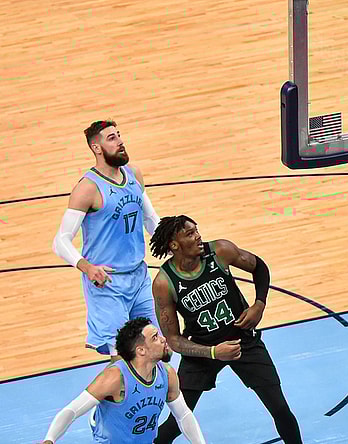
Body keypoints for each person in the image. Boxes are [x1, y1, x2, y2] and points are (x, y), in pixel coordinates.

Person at [149, 215, 302, 444]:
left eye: (196, 230)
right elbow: (173, 339)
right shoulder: (164, 283)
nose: (198, 235)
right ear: (174, 244)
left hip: (243, 342)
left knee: (280, 409)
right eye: (190, 233)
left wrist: (259, 304)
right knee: (175, 423)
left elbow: (259, 267)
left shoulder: (220, 251)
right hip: (202, 350)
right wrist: (212, 352)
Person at [52, 120, 162, 358]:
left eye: (119, 135)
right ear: (96, 148)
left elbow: (150, 218)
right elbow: (60, 240)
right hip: (107, 284)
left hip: (139, 277)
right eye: (111, 138)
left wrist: (173, 247)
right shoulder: (87, 188)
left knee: (157, 351)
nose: (120, 141)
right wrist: (87, 267)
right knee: (123, 360)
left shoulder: (133, 174)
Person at [41, 317, 206, 444]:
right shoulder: (115, 378)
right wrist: (50, 439)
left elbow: (183, 414)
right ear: (141, 350)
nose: (163, 339)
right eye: (155, 338)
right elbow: (73, 410)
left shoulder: (167, 374)